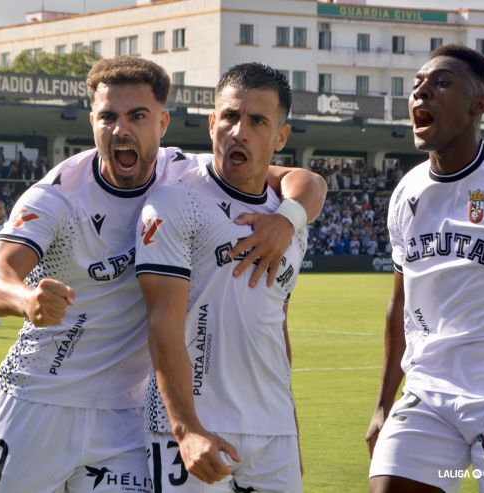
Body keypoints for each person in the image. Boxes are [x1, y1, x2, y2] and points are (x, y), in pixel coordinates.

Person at [0, 56, 326, 493]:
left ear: (162, 123)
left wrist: (287, 220)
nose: (121, 130)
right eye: (109, 116)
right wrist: (26, 299)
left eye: (137, 116)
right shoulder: (58, 196)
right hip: (39, 398)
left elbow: (307, 181)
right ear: (92, 121)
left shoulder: (185, 171)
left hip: (127, 417)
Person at [366, 44, 484, 493]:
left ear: (479, 105)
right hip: (429, 393)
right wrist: (382, 405)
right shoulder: (406, 193)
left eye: (442, 83)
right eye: (417, 85)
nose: (421, 92)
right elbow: (400, 302)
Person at [136, 62, 307, 492]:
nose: (239, 132)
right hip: (196, 428)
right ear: (212, 124)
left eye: (258, 121)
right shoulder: (174, 203)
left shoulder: (291, 223)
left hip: (273, 432)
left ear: (281, 136)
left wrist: (290, 426)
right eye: (230, 116)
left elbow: (276, 324)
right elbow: (162, 322)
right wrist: (186, 428)